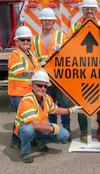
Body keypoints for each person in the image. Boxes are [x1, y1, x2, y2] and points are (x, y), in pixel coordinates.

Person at [65, 0, 100, 143]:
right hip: (80, 71)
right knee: (81, 101)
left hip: (99, 71)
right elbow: (66, 45)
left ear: (96, 10)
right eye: (87, 9)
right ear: (82, 11)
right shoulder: (74, 27)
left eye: (92, 8)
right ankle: (84, 130)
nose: (89, 11)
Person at [14, 70, 82, 163]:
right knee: (28, 130)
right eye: (39, 85)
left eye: (45, 86)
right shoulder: (27, 100)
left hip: (40, 127)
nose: (42, 88)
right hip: (25, 128)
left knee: (65, 134)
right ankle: (25, 152)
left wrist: (72, 110)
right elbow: (35, 124)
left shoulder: (46, 98)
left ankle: (40, 141)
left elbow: (56, 110)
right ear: (32, 85)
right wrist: (51, 129)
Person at [30, 8, 71, 143]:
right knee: (49, 106)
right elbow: (33, 60)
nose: (48, 22)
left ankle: (66, 130)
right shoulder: (35, 40)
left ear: (54, 22)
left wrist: (62, 50)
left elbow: (69, 54)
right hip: (45, 80)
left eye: (50, 20)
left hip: (60, 78)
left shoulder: (62, 36)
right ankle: (54, 130)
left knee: (63, 105)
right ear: (41, 21)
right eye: (45, 20)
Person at [8, 26, 41, 150]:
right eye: (23, 40)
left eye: (28, 39)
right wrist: (35, 73)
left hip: (28, 92)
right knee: (21, 118)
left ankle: (26, 138)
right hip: (18, 92)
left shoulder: (31, 53)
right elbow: (18, 71)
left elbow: (38, 68)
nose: (26, 42)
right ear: (17, 41)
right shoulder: (15, 54)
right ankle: (15, 139)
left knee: (29, 117)